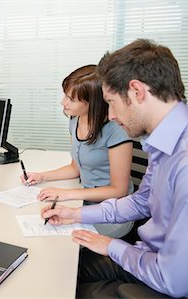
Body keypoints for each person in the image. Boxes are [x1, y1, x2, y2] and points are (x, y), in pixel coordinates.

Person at [42, 39, 188, 298]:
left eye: (111, 102)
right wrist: (76, 215)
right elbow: (140, 202)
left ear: (137, 91)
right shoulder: (165, 143)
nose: (110, 116)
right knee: (58, 270)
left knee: (65, 289)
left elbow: (173, 280)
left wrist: (113, 246)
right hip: (145, 256)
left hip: (165, 283)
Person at [22, 65, 134, 238]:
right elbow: (76, 168)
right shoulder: (75, 120)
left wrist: (65, 194)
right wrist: (41, 176)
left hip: (113, 211)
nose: (63, 102)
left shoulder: (116, 130)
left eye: (71, 99)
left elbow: (118, 190)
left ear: (93, 102)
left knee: (61, 241)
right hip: (85, 199)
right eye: (65, 95)